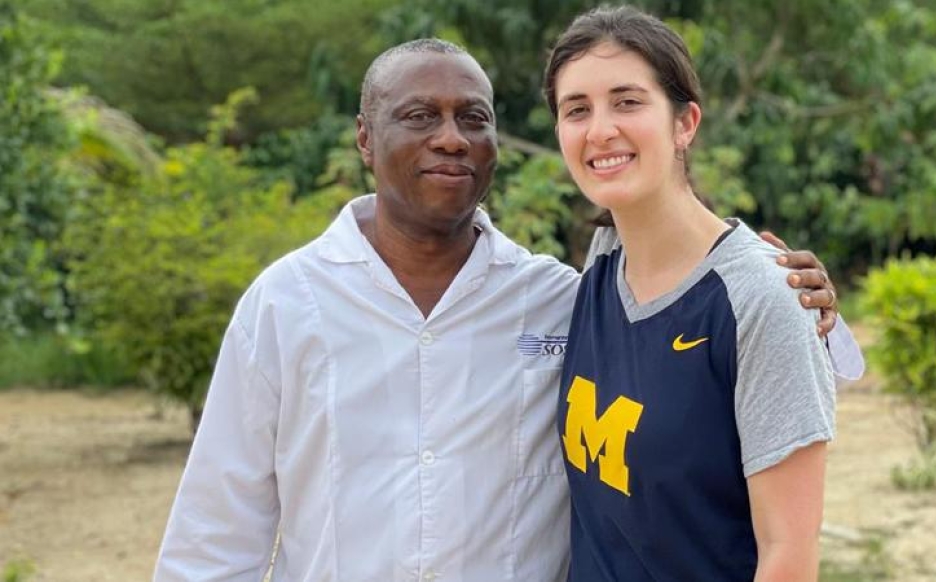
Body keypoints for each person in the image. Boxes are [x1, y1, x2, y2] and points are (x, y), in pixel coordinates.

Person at [153, 38, 861, 582]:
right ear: (365, 138)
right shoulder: (285, 304)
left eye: (474, 118)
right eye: (418, 117)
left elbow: (710, 316)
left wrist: (802, 298)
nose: (451, 137)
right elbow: (217, 535)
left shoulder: (556, 296)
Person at [545, 6, 839, 581]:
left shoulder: (761, 299)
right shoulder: (601, 264)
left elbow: (790, 555)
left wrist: (773, 282)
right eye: (576, 109)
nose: (600, 129)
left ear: (685, 123)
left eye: (628, 102)